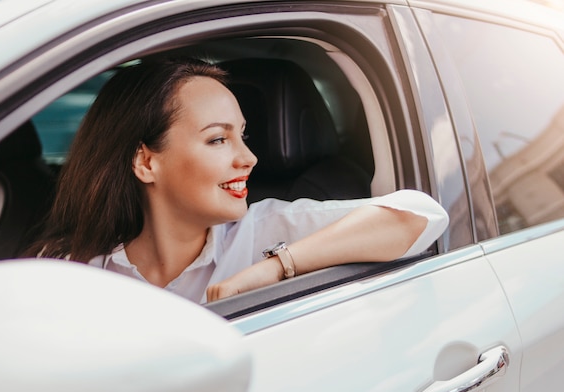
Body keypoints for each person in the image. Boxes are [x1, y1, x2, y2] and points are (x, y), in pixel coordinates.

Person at [27, 57, 449, 304]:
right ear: (146, 162)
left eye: (241, 135)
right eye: (218, 139)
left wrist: (270, 271)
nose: (248, 158)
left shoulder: (264, 230)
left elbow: (420, 215)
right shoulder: (79, 268)